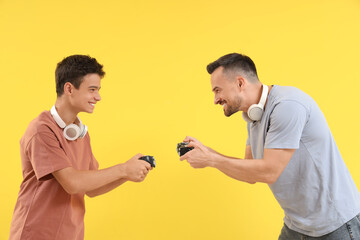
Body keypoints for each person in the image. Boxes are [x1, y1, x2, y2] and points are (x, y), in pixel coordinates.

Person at [180, 53, 360, 239]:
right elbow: (250, 171)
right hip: (297, 224)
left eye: (218, 90)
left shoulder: (287, 106)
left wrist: (211, 159)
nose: (216, 99)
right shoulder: (253, 115)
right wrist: (207, 152)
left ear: (240, 83)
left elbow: (269, 171)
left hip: (334, 224)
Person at [9, 55, 153, 240]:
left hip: (70, 235)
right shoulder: (41, 130)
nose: (98, 97)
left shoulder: (79, 133)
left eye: (98, 90)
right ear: (69, 88)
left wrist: (127, 174)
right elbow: (72, 183)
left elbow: (91, 189)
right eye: (92, 90)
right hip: (38, 233)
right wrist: (124, 169)